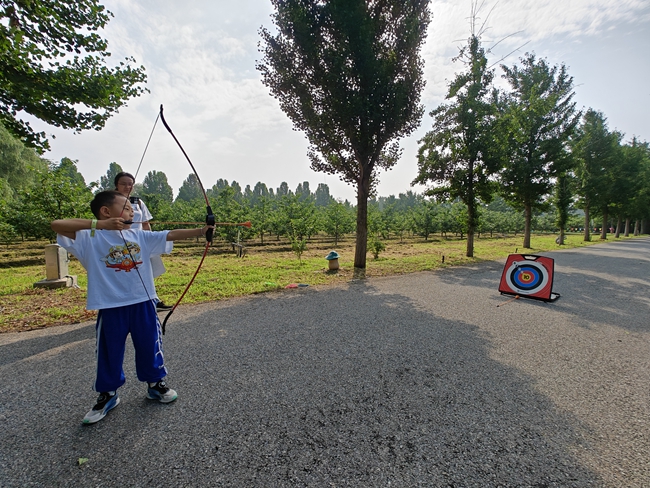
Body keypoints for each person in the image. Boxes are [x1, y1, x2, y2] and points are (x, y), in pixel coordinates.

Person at [52, 190, 214, 424]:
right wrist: (101, 225)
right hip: (110, 306)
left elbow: (170, 234)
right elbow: (56, 224)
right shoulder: (89, 236)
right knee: (109, 352)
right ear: (106, 212)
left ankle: (155, 384)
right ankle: (108, 394)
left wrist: (202, 231)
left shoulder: (140, 236)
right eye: (127, 207)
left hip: (143, 303)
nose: (132, 211)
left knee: (150, 345)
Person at [114, 171, 172, 311]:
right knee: (124, 272)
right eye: (123, 184)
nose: (127, 187)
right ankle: (122, 302)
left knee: (147, 272)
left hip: (140, 243)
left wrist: (151, 240)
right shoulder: (111, 202)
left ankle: (153, 300)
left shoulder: (137, 202)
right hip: (119, 244)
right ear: (116, 185)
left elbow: (145, 223)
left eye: (130, 184)